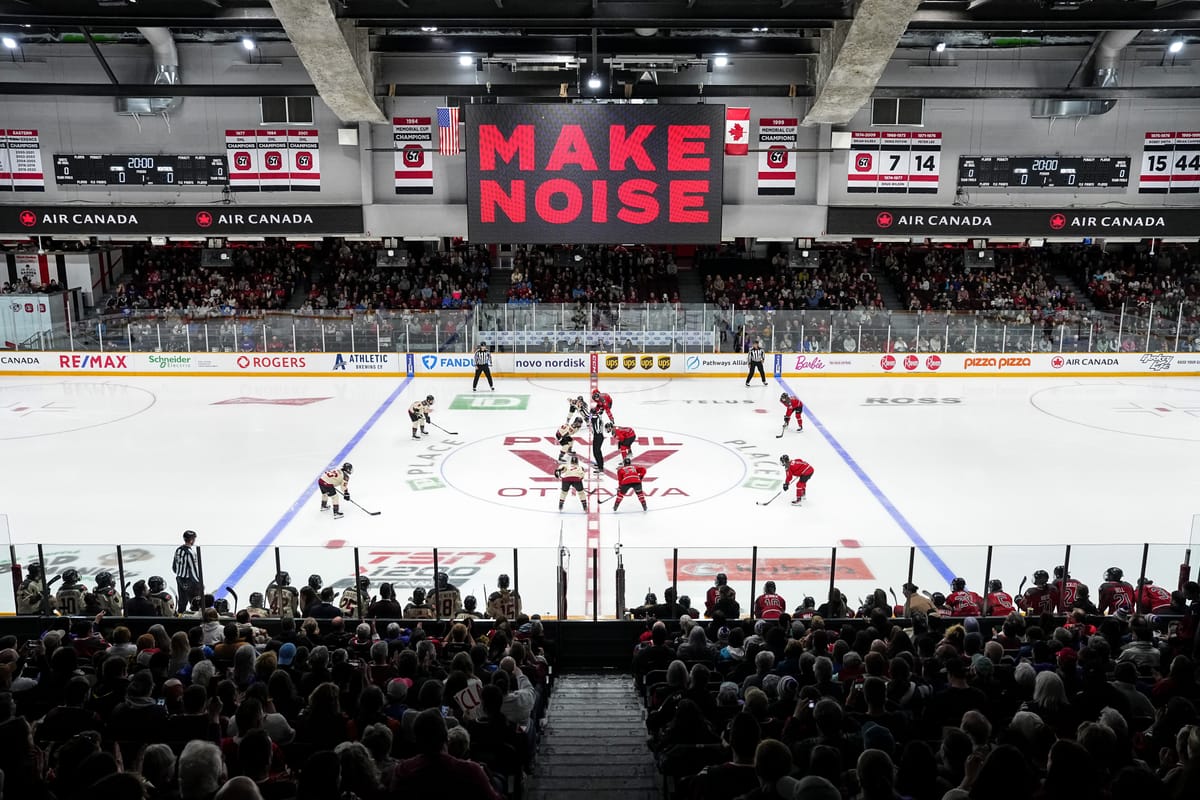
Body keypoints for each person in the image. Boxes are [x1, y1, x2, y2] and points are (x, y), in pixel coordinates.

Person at [172, 530, 202, 610]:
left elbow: (174, 567)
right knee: (195, 602)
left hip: (180, 579)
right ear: (192, 540)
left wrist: (180, 575)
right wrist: (199, 583)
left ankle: (180, 618)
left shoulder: (178, 550)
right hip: (190, 581)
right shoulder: (191, 553)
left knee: (182, 602)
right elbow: (193, 570)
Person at [588, 402, 607, 474]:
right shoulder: (597, 416)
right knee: (597, 451)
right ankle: (599, 464)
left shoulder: (595, 419)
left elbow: (597, 429)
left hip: (598, 436)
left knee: (596, 452)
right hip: (598, 436)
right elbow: (590, 417)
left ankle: (600, 467)